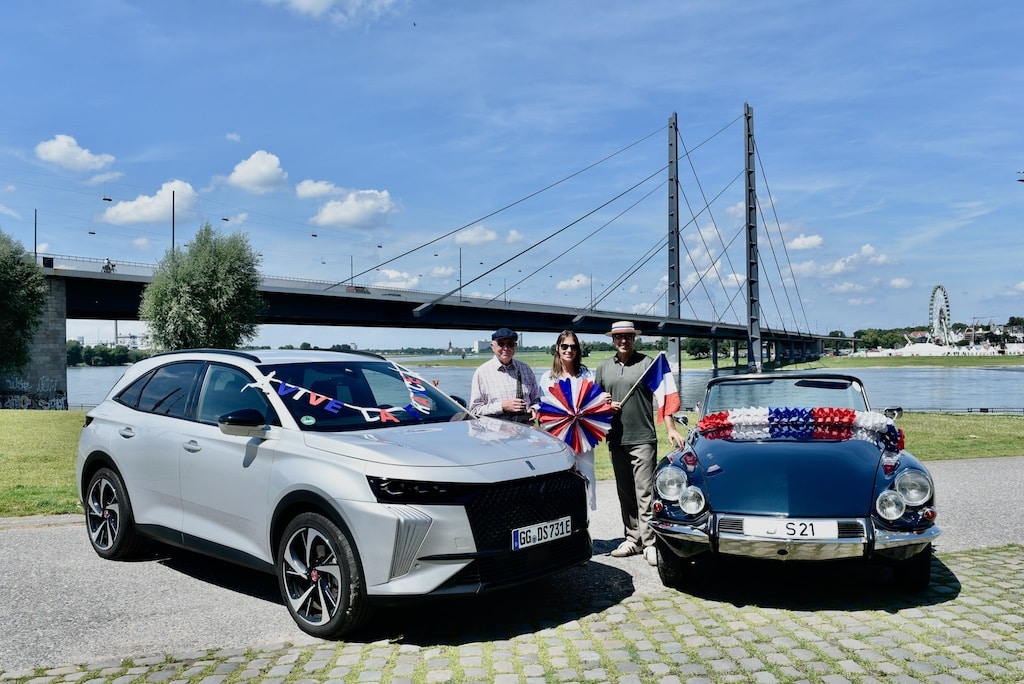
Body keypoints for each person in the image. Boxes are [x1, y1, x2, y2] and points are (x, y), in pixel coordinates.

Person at [595, 320, 684, 566]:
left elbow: (665, 400)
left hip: (643, 438)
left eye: (628, 336)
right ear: (612, 339)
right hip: (616, 439)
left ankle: (650, 542)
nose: (624, 341)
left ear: (634, 338)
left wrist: (671, 428)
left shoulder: (648, 364)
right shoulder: (603, 368)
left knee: (644, 492)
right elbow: (594, 403)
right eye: (619, 337)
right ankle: (632, 538)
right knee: (625, 492)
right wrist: (604, 407)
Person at [538, 330, 610, 510]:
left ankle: (584, 518)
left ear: (578, 350)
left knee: (586, 477)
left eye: (573, 347)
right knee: (560, 478)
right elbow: (542, 408)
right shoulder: (547, 378)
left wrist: (604, 400)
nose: (569, 350)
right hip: (557, 437)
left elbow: (594, 400)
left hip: (584, 436)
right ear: (557, 348)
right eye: (565, 346)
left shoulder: (586, 374)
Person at [469, 327, 539, 424]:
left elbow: (536, 400)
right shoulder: (482, 373)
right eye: (501, 344)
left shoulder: (525, 369)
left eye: (510, 344)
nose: (506, 348)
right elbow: (474, 410)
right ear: (492, 346)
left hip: (525, 431)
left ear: (515, 346)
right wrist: (502, 406)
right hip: (495, 435)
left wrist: (533, 409)